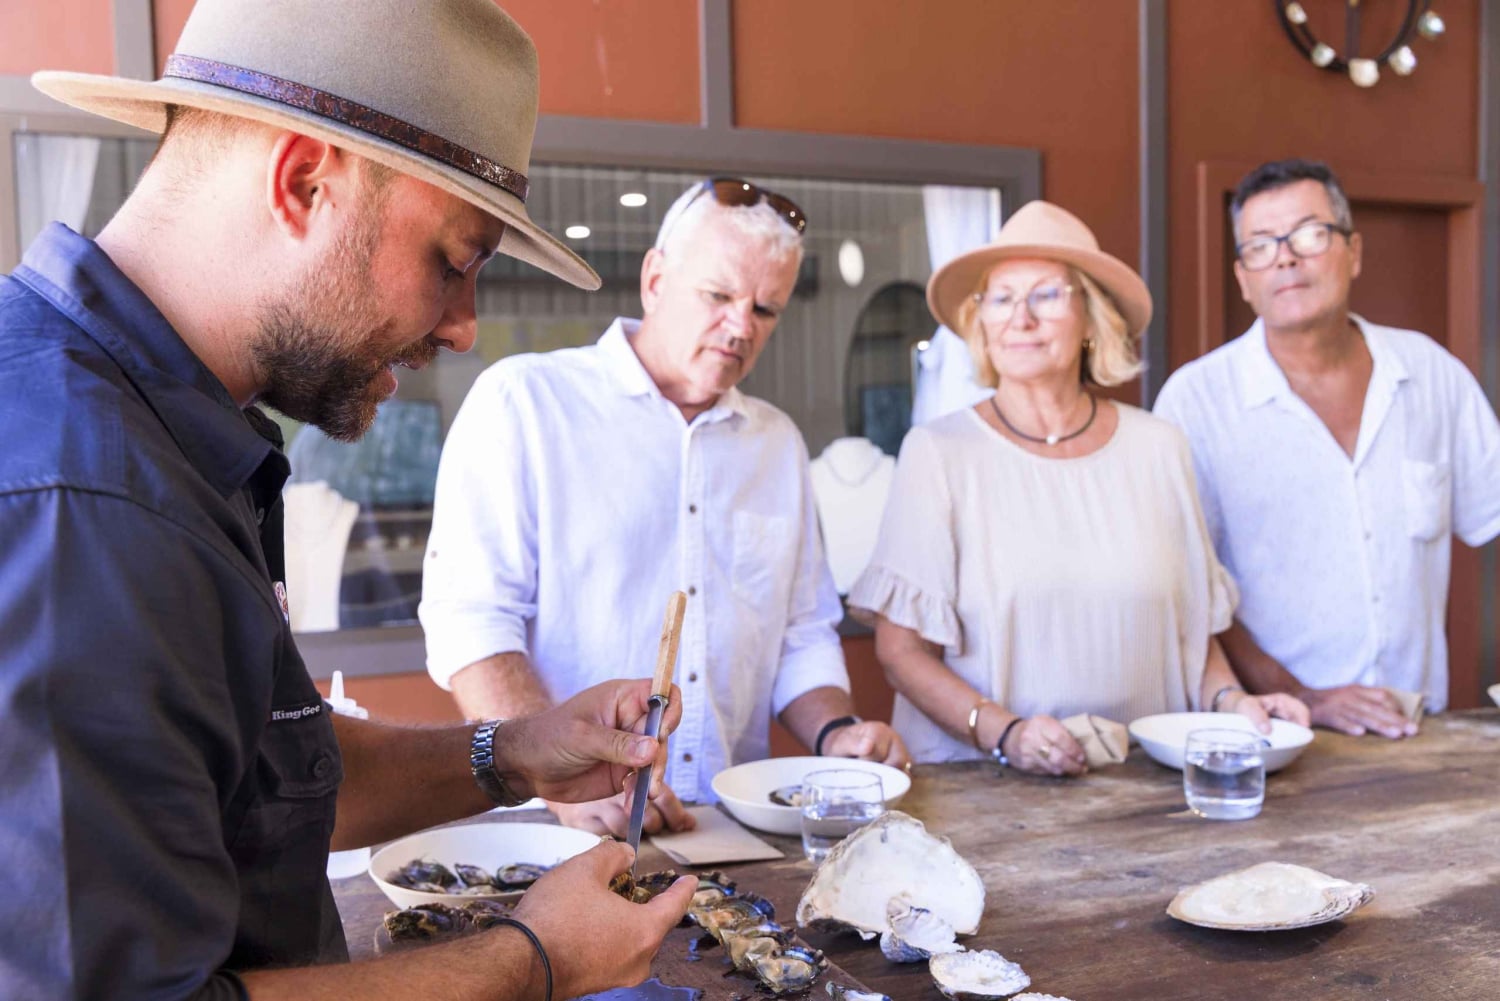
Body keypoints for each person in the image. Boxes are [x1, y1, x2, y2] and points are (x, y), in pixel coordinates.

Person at [0, 1, 699, 998]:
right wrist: (534, 958)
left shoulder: (161, 435)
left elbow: (258, 770)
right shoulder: (84, 502)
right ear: (303, 182)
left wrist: (514, 751)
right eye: (453, 262)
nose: (463, 327)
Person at [420, 178, 910, 835]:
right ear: (655, 280)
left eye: (766, 309)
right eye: (718, 295)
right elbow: (473, 622)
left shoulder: (777, 443)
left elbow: (801, 632)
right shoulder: (525, 402)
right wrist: (556, 782)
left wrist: (837, 731)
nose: (741, 326)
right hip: (556, 830)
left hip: (725, 830)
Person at [849, 201, 1308, 776]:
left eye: (1045, 295)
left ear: (1092, 318)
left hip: (1145, 787)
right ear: (981, 322)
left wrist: (1236, 704)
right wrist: (1007, 734)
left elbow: (1193, 636)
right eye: (1000, 298)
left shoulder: (1160, 447)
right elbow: (900, 652)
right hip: (986, 787)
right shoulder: (939, 453)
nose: (1021, 318)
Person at [1154, 159, 1500, 737]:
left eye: (1309, 234)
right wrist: (1302, 697)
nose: (1285, 258)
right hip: (1273, 736)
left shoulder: (1430, 373)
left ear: (1353, 252)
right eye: (1261, 245)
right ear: (1243, 278)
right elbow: (1187, 589)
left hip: (1417, 731)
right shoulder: (1197, 401)